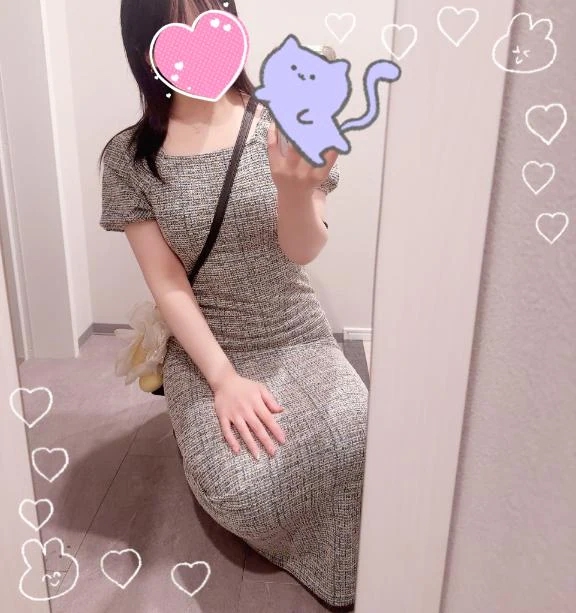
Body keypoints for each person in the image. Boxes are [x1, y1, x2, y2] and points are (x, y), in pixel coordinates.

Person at [99, 0, 368, 608]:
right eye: (180, 24)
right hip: (208, 350)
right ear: (147, 45)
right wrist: (223, 381)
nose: (202, 36)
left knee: (359, 439)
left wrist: (295, 190)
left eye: (214, 13)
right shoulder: (129, 158)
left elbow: (302, 251)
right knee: (244, 489)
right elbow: (168, 284)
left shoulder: (287, 116)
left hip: (296, 330)